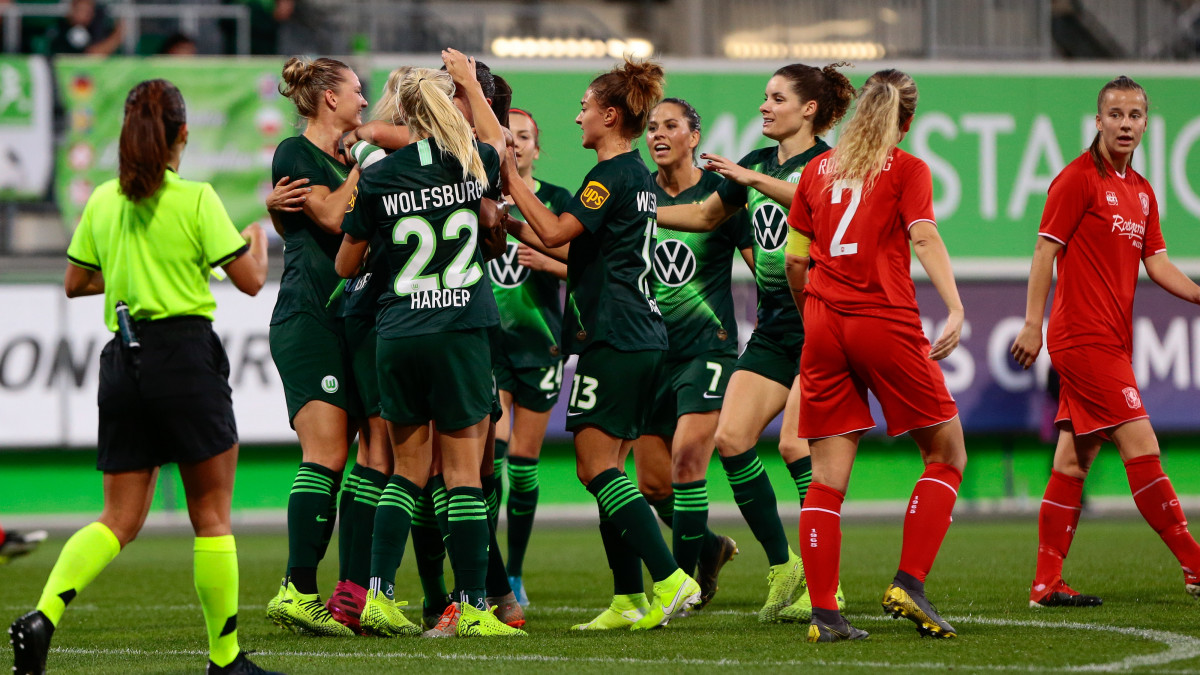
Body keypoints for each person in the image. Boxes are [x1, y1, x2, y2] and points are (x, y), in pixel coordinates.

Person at [8, 79, 273, 674]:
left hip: (122, 362)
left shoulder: (103, 200)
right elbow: (252, 280)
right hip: (185, 357)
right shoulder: (198, 199)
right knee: (212, 516)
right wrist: (255, 237)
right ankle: (225, 660)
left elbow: (76, 283)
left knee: (118, 520)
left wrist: (131, 271)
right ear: (182, 134)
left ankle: (43, 615)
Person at [502, 57, 701, 631]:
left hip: (614, 337)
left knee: (594, 469)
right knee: (611, 469)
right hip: (641, 336)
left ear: (610, 116)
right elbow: (578, 250)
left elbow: (559, 233)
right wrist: (512, 222)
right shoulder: (637, 178)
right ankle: (626, 599)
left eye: (585, 108)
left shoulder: (608, 177)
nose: (577, 117)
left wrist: (509, 181)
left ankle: (669, 577)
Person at [335, 49, 525, 639]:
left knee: (407, 471)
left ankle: (380, 595)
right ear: (446, 107)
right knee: (464, 472)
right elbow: (500, 143)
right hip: (459, 328)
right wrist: (469, 78)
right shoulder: (469, 163)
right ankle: (471, 605)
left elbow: (346, 263)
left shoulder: (382, 175)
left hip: (398, 332)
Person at [656, 63, 854, 623]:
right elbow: (702, 214)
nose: (764, 106)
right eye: (764, 97)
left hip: (823, 323)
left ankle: (828, 586)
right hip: (774, 328)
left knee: (796, 446)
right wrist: (640, 210)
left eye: (776, 98)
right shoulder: (758, 163)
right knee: (732, 438)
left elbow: (820, 204)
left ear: (808, 109)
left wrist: (751, 180)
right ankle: (783, 564)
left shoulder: (830, 163)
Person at [786, 68, 967, 642]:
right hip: (881, 321)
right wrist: (956, 308)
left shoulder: (817, 170)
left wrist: (810, 313)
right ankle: (908, 582)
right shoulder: (908, 168)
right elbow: (924, 236)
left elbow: (794, 261)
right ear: (905, 121)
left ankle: (825, 615)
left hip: (821, 324)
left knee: (826, 478)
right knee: (946, 453)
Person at [1011, 75, 1200, 609]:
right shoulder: (1076, 180)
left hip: (1114, 341)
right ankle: (1194, 563)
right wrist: (1033, 324)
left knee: (1072, 462)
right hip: (1082, 337)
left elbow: (1156, 261)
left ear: (1145, 123)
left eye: (1134, 115)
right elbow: (1044, 253)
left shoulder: (1141, 191)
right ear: (1097, 121)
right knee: (1143, 446)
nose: (1124, 124)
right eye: (1114, 114)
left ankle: (1045, 584)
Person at [631, 97, 751, 610]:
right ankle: (710, 547)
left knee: (686, 461)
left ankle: (677, 587)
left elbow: (761, 263)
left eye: (671, 126)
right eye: (653, 127)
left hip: (709, 347)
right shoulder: (634, 192)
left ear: (693, 137)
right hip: (650, 351)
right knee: (654, 485)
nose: (658, 134)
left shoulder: (719, 197)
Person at [264, 56, 366, 638]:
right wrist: (366, 167)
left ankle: (342, 592)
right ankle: (298, 587)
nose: (363, 99)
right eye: (356, 90)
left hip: (346, 317)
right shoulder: (294, 153)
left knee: (352, 457)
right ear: (329, 97)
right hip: (309, 318)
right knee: (325, 454)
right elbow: (328, 216)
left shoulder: (343, 159)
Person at [488, 107, 572, 608]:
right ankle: (492, 572)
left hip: (541, 347)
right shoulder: (480, 199)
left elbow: (587, 266)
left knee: (523, 464)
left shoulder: (559, 203)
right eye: (507, 136)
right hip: (490, 347)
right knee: (489, 461)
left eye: (524, 137)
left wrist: (548, 260)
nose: (516, 144)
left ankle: (514, 571)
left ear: (537, 149)